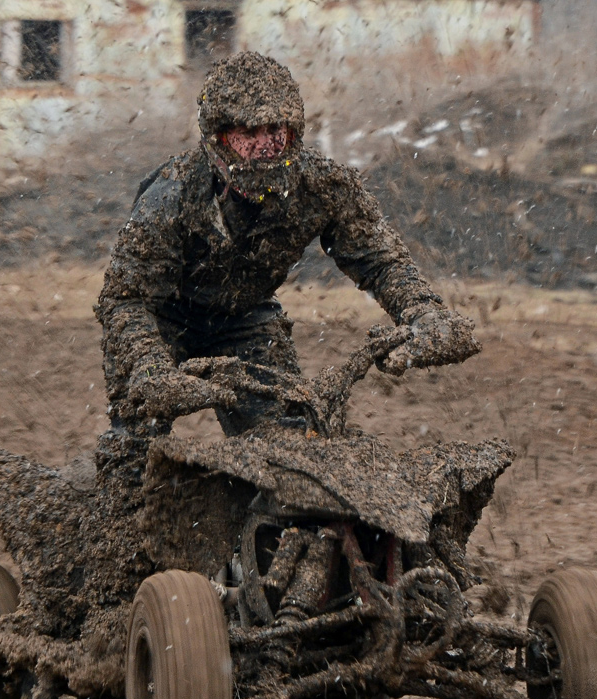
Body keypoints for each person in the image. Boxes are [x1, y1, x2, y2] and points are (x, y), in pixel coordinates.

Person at [95, 51, 476, 437]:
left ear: (294, 131)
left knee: (292, 448)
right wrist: (152, 371)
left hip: (246, 320)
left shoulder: (324, 186)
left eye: (276, 130)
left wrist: (426, 314)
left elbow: (381, 261)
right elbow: (125, 298)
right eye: (248, 132)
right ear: (219, 138)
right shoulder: (171, 196)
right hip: (161, 317)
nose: (265, 145)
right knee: (133, 455)